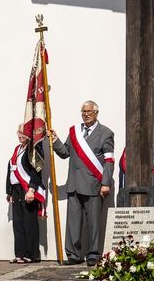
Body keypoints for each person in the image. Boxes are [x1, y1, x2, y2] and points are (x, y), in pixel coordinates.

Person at [48, 100, 114, 266]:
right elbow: (65, 153)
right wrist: (55, 140)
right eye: (83, 112)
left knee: (93, 223)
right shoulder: (74, 132)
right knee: (73, 223)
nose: (85, 114)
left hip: (94, 184)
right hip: (74, 184)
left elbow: (109, 161)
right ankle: (74, 254)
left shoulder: (106, 133)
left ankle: (93, 254)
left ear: (96, 113)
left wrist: (106, 183)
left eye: (89, 112)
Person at [6, 123, 45, 263]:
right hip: (16, 190)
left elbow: (36, 170)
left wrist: (32, 189)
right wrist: (9, 191)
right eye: (18, 132)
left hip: (28, 189)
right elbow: (10, 169)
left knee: (30, 223)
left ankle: (32, 254)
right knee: (18, 224)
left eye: (23, 132)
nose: (20, 134)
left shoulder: (34, 148)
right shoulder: (17, 149)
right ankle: (20, 253)